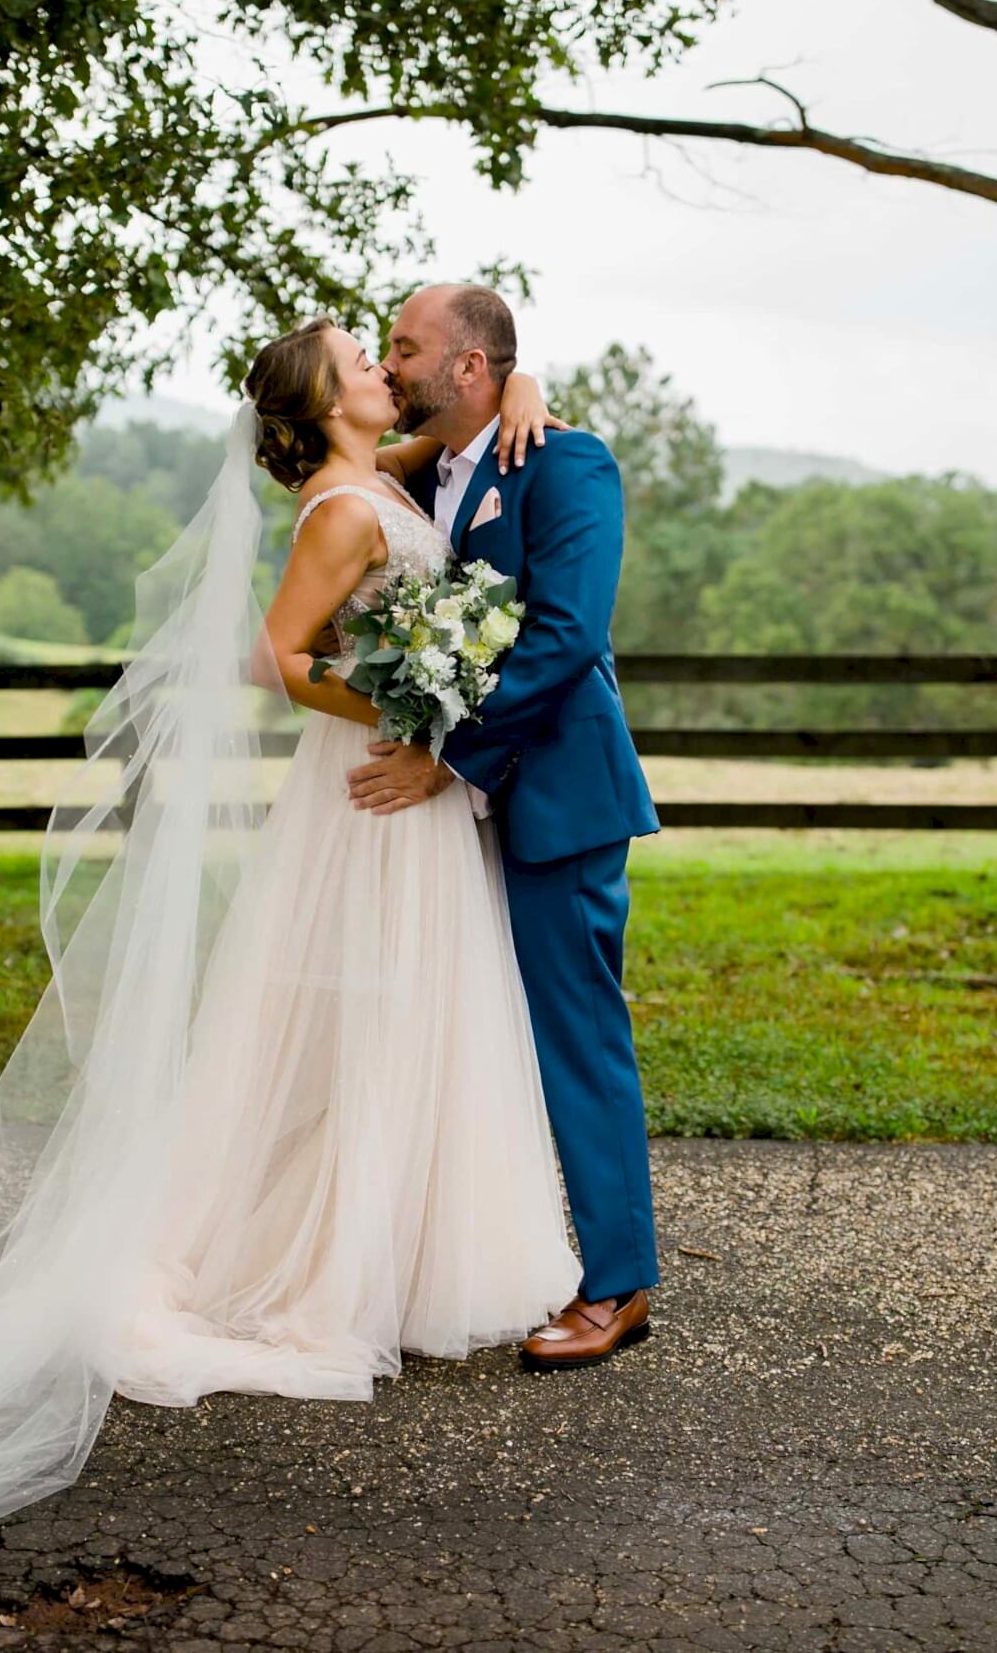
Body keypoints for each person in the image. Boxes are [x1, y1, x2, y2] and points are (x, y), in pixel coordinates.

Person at [0, 308, 618, 1580]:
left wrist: (525, 386)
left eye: (394, 351)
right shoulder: (346, 506)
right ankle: (302, 1258)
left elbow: (484, 455)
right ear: (329, 401)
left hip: (436, 783)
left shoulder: (398, 471)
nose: (383, 369)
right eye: (362, 360)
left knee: (434, 1014)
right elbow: (274, 656)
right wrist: (408, 709)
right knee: (351, 1020)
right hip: (383, 783)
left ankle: (405, 1248)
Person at [357, 284, 664, 1364]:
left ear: (472, 367)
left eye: (405, 347)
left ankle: (618, 1284)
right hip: (464, 820)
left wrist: (449, 754)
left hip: (554, 795)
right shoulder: (426, 470)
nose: (389, 363)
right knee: (469, 1038)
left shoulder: (566, 462)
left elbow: (569, 634)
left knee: (576, 1039)